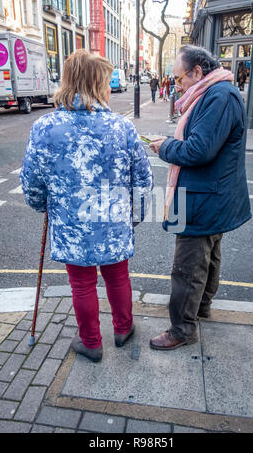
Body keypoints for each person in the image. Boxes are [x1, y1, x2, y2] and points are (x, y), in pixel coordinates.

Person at [20, 50, 153, 363]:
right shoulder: (123, 128)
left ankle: (91, 342)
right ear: (99, 84)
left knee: (81, 284)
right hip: (113, 221)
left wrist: (43, 205)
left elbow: (32, 182)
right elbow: (143, 181)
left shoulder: (45, 128)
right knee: (118, 276)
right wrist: (133, 218)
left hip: (71, 223)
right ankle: (123, 328)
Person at [149, 45, 251, 350]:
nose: (176, 85)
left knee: (188, 266)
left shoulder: (218, 97)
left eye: (179, 79)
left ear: (197, 72)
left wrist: (165, 146)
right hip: (211, 194)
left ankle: (182, 328)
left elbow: (198, 150)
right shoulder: (214, 94)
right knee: (208, 256)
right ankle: (202, 307)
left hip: (204, 198)